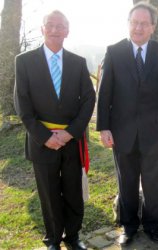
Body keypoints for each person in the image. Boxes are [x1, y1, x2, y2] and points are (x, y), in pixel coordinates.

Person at [96, 2, 158, 246]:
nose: (138, 28)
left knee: (153, 184)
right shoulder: (114, 52)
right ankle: (129, 226)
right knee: (127, 183)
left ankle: (153, 227)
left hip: (155, 132)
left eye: (144, 23)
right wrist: (104, 127)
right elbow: (105, 94)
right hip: (122, 133)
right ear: (128, 24)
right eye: (134, 22)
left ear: (153, 27)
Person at [14, 10, 95, 250]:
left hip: (71, 140)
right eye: (50, 24)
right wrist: (44, 137)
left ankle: (73, 237)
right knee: (49, 194)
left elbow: (89, 99)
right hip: (42, 142)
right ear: (42, 29)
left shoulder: (77, 62)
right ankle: (53, 239)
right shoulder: (24, 61)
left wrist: (71, 132)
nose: (55, 29)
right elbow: (22, 103)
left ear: (67, 31)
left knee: (72, 191)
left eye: (60, 25)